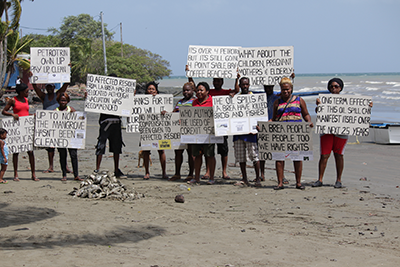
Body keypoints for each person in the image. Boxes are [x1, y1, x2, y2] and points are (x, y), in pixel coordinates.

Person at [312, 78, 372, 189]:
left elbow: (357, 113)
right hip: (327, 131)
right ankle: (320, 179)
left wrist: (367, 108)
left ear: (341, 88)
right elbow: (318, 112)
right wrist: (318, 105)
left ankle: (338, 180)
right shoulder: (324, 100)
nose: (334, 88)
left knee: (339, 155)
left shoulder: (347, 101)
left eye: (336, 86)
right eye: (331, 86)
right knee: (324, 155)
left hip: (341, 132)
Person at [187, 65, 239, 180]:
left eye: (219, 80)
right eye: (215, 80)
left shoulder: (224, 93)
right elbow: (194, 88)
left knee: (222, 150)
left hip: (219, 128)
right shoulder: (195, 101)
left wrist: (236, 78)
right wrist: (189, 74)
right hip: (201, 132)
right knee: (204, 153)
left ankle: (223, 172)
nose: (217, 82)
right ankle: (206, 173)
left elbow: (236, 91)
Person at [271, 77, 313, 190]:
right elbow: (274, 119)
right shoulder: (277, 102)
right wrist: (264, 125)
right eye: (283, 89)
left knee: (297, 157)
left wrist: (308, 122)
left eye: (287, 89)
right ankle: (280, 183)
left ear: (291, 89)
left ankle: (298, 182)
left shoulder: (299, 100)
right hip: (281, 133)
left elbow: (306, 114)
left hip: (296, 133)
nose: (285, 91)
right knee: (279, 157)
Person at [2, 82, 38, 181]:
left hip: (26, 127)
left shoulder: (26, 100)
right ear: (21, 92)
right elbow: (3, 111)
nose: (28, 93)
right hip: (17, 127)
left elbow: (25, 113)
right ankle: (16, 174)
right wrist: (12, 115)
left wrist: (32, 115)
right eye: (26, 91)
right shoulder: (13, 100)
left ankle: (33, 174)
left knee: (30, 151)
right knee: (16, 152)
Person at [32, 81, 70, 173]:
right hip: (48, 124)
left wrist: (67, 73)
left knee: (62, 145)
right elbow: (35, 88)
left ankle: (66, 166)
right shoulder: (44, 96)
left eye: (51, 87)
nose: (49, 89)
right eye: (47, 87)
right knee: (50, 147)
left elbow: (65, 85)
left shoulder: (57, 95)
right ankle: (51, 166)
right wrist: (33, 78)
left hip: (59, 123)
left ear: (54, 88)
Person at [94, 73, 127, 178]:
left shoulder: (120, 93)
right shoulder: (102, 93)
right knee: (101, 145)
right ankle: (97, 169)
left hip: (116, 122)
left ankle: (116, 169)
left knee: (117, 147)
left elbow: (127, 104)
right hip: (105, 122)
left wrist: (132, 96)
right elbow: (94, 101)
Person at [232, 76, 261, 187]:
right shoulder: (235, 98)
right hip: (238, 133)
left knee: (254, 156)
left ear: (249, 85)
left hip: (250, 133)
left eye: (246, 84)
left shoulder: (254, 97)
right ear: (239, 85)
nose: (245, 86)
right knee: (241, 157)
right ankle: (244, 179)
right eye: (243, 84)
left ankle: (257, 178)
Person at [188, 82, 216, 185]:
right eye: (198, 90)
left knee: (210, 155)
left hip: (209, 133)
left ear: (207, 91)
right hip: (197, 133)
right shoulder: (194, 102)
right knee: (197, 155)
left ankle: (211, 177)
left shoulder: (212, 101)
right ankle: (197, 178)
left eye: (201, 90)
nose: (199, 92)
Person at [168, 82, 196, 181]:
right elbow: (173, 114)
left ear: (193, 91)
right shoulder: (179, 102)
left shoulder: (195, 102)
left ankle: (190, 174)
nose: (186, 92)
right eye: (184, 90)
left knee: (191, 154)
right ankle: (177, 173)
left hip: (190, 131)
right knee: (178, 153)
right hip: (179, 131)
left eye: (188, 90)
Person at [142, 81, 168, 180]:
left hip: (159, 128)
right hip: (147, 128)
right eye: (149, 89)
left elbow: (168, 111)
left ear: (156, 91)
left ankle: (164, 172)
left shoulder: (162, 100)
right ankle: (147, 172)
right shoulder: (141, 101)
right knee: (146, 151)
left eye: (153, 89)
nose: (151, 91)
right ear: (146, 91)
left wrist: (164, 112)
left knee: (161, 150)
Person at [55, 92, 83, 182]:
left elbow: (79, 121)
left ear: (67, 101)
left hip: (71, 137)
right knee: (62, 156)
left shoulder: (71, 110)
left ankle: (76, 174)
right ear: (58, 101)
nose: (63, 102)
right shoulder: (55, 111)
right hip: (61, 137)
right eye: (61, 100)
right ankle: (64, 174)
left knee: (73, 155)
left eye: (64, 100)